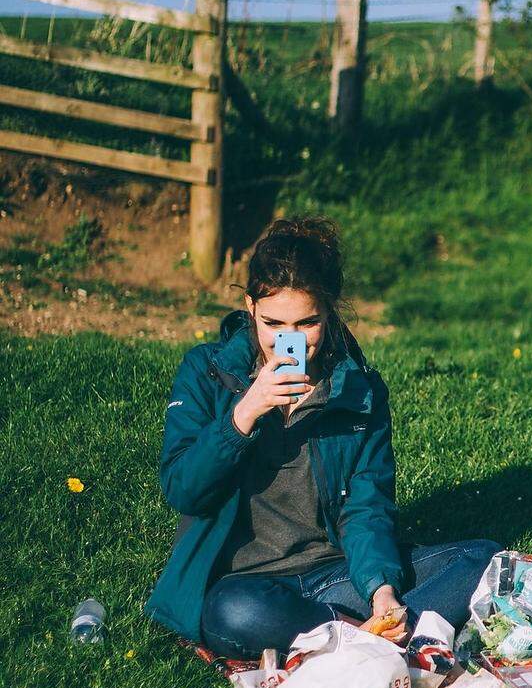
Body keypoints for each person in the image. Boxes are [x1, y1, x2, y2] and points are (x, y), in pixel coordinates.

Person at [145, 216, 500, 659]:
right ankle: (381, 643)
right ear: (251, 308)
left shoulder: (357, 390)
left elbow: (366, 506)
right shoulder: (207, 372)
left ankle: (359, 634)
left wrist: (382, 593)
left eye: (307, 324)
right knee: (231, 615)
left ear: (329, 312)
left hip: (332, 575)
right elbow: (184, 491)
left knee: (484, 560)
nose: (287, 341)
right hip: (245, 585)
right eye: (273, 322)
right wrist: (243, 414)